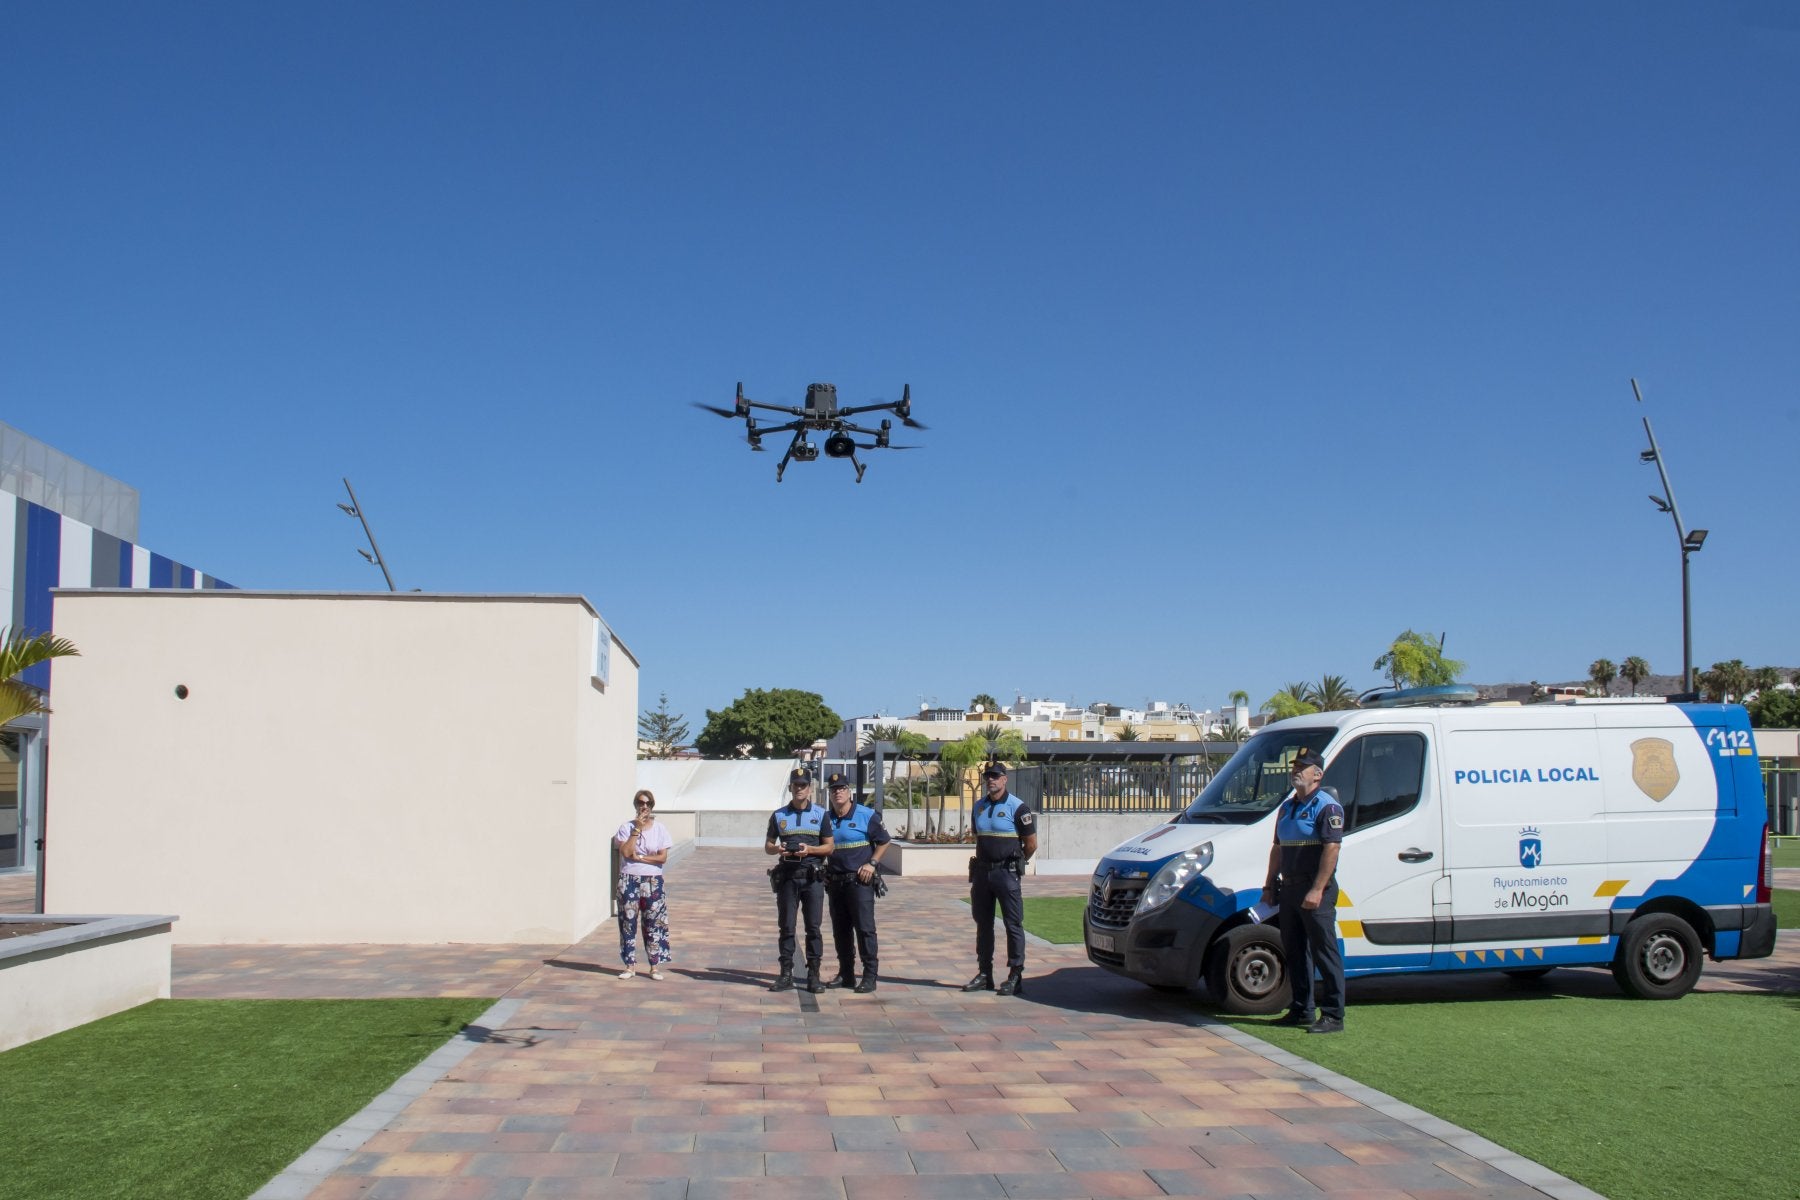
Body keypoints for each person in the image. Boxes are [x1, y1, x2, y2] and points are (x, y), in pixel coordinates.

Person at [1261, 746, 1346, 1033]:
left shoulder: (1327, 806)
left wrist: (1317, 889)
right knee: (1295, 951)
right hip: (1290, 889)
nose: (1295, 771)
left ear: (1317, 774)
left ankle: (1333, 1015)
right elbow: (1278, 848)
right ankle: (1301, 1009)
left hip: (1314, 890)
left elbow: (1331, 849)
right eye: (1294, 766)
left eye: (1302, 767)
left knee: (1324, 952)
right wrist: (1269, 883)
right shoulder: (1287, 806)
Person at [962, 761, 1037, 996]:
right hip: (983, 873)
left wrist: (1016, 863)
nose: (991, 780)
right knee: (983, 925)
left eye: (996, 776)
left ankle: (1016, 975)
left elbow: (1031, 844)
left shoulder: (1018, 808)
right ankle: (985, 974)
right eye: (988, 776)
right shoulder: (979, 807)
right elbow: (978, 837)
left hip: (1006, 874)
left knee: (1013, 924)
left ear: (1005, 779)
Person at [764, 766, 834, 993]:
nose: (799, 789)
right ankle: (786, 974)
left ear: (810, 788)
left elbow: (829, 847)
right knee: (786, 927)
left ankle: (813, 975)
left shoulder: (821, 814)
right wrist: (778, 849)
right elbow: (767, 846)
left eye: (803, 785)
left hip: (812, 878)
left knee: (813, 928)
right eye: (796, 785)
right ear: (790, 788)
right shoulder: (779, 815)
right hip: (787, 878)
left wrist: (810, 850)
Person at [822, 770, 891, 993]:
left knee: (865, 929)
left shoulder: (866, 815)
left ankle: (870, 975)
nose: (837, 793)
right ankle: (846, 973)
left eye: (841, 789)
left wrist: (872, 863)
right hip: (835, 882)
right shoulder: (826, 818)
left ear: (849, 792)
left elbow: (884, 841)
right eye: (833, 790)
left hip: (859, 883)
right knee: (840, 930)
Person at [614, 789, 673, 980]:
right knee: (627, 923)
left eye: (648, 803)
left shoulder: (660, 829)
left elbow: (662, 858)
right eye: (641, 802)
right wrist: (636, 830)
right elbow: (625, 852)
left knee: (653, 923)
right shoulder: (626, 828)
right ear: (635, 804)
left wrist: (640, 857)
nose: (644, 806)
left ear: (652, 806)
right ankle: (629, 966)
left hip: (653, 881)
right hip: (629, 879)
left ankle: (654, 967)